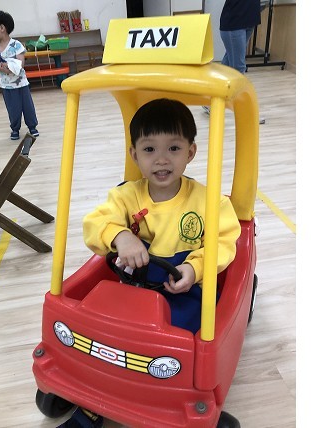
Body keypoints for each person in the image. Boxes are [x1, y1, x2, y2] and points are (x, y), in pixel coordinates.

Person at [57, 98, 241, 428]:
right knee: (105, 334)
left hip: (185, 290)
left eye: (174, 148)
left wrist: (195, 268)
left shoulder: (208, 201)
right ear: (134, 155)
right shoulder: (126, 196)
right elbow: (94, 222)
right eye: (149, 149)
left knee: (176, 342)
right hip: (134, 288)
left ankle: (168, 394)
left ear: (191, 152)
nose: (161, 159)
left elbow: (225, 242)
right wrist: (120, 236)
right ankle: (95, 399)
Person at [203, 0, 265, 124]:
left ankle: (210, 102)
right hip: (234, 23)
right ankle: (245, 113)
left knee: (227, 66)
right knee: (238, 69)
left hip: (249, 19)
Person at [0, 10, 39, 140]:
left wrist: (7, 66)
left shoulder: (16, 45)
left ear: (2, 28)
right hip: (6, 86)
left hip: (22, 84)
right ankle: (15, 129)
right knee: (13, 109)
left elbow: (20, 64)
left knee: (28, 107)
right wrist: (9, 66)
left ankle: (32, 127)